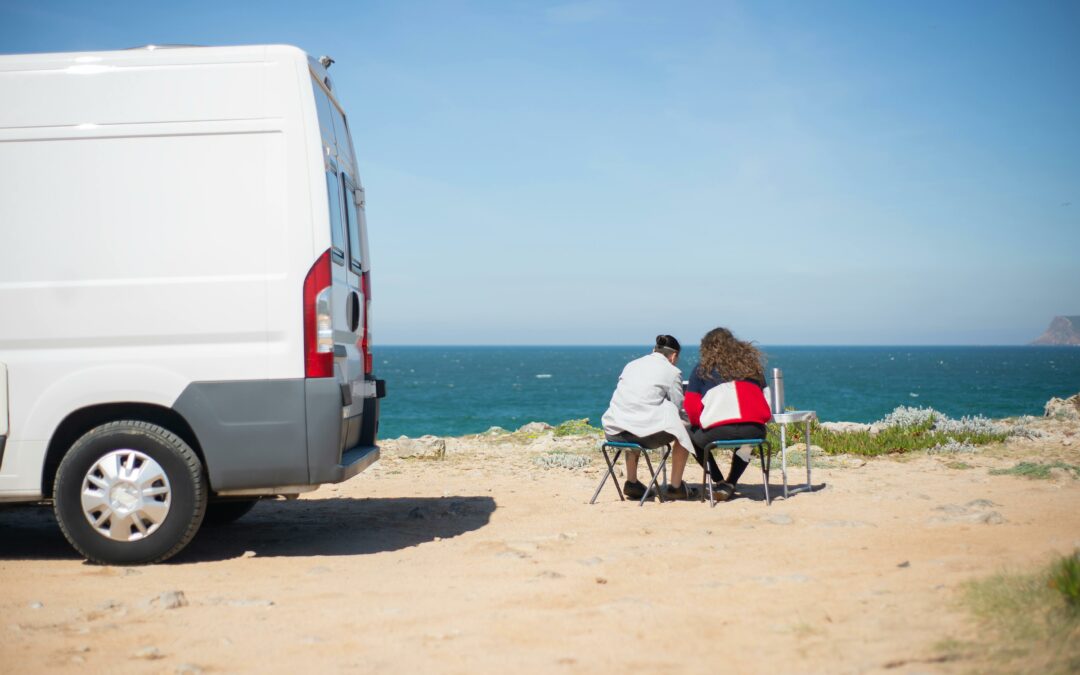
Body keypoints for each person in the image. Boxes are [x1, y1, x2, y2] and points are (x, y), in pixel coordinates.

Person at [601, 335, 698, 501]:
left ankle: (632, 482)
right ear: (674, 356)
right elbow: (679, 407)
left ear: (654, 350)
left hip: (613, 432)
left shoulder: (631, 365)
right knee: (684, 428)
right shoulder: (672, 372)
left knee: (633, 420)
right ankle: (676, 487)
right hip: (641, 436)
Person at [683, 327, 772, 502]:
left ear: (707, 348)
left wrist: (703, 423)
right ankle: (731, 482)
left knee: (688, 434)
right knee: (748, 443)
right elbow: (767, 401)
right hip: (753, 431)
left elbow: (692, 409)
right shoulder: (753, 368)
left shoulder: (702, 369)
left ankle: (719, 481)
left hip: (717, 432)